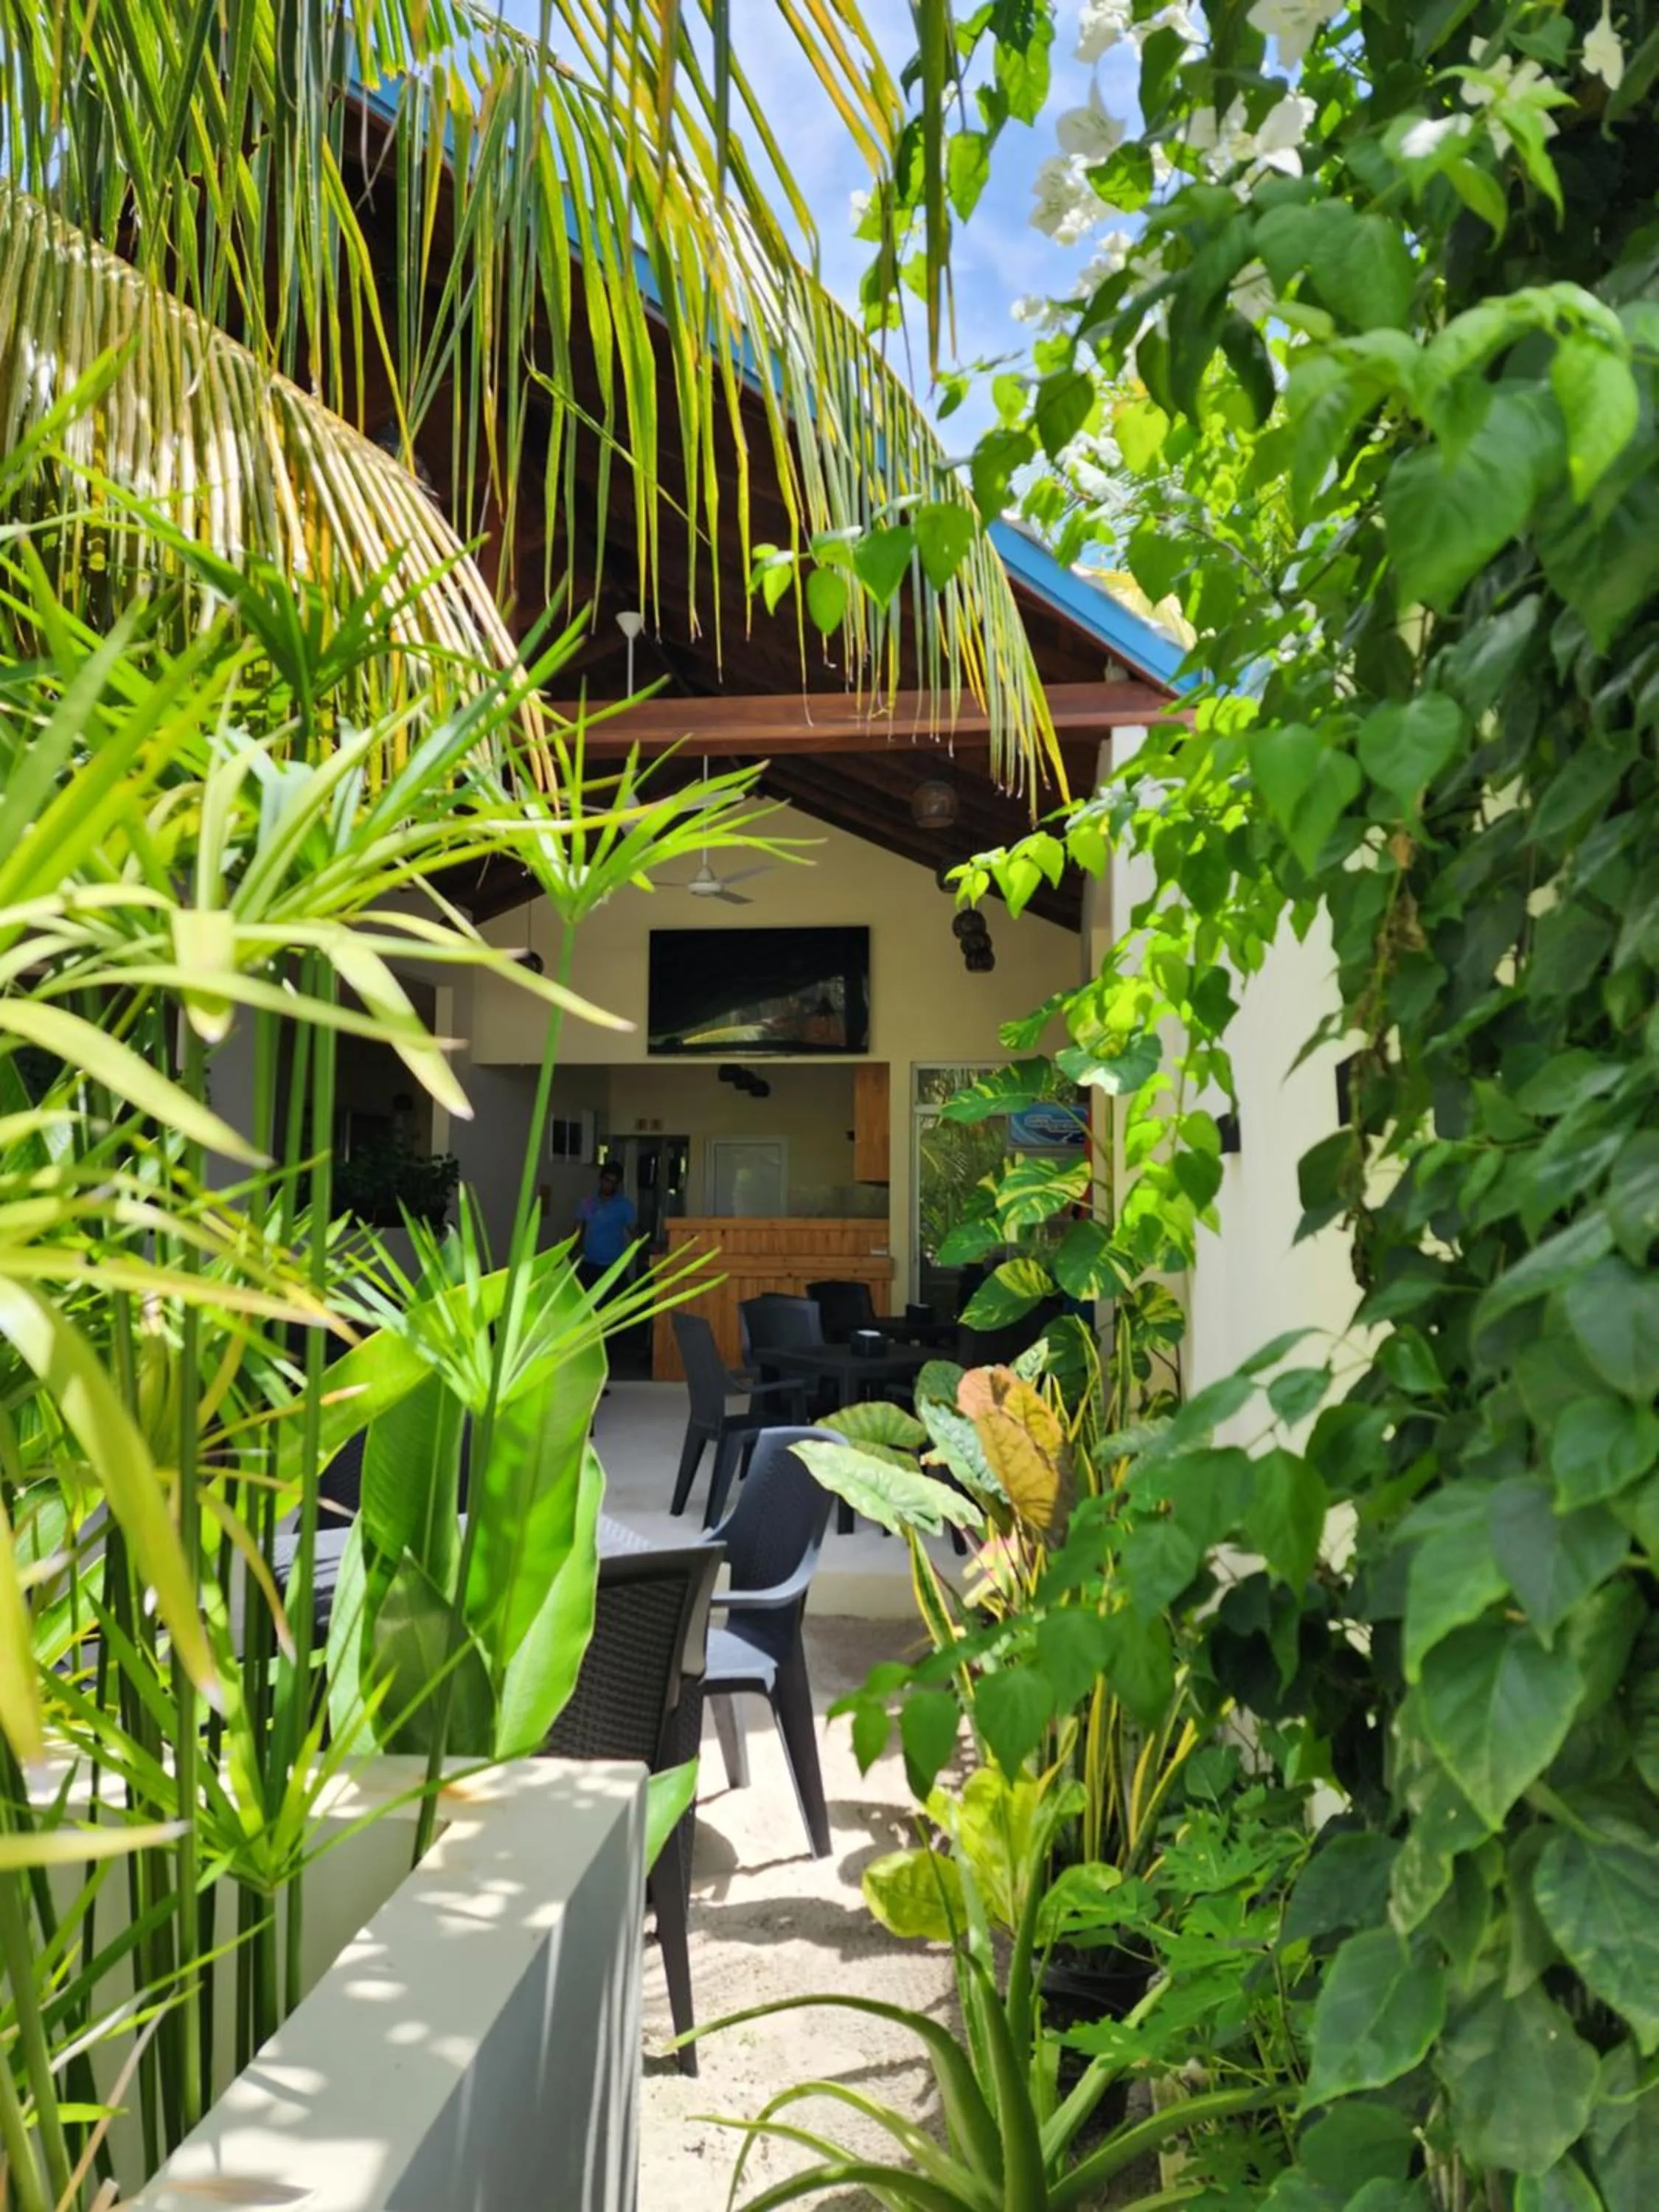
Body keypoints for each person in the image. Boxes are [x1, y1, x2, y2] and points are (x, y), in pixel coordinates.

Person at [573, 1161, 636, 1295]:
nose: (609, 1185)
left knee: (616, 1303)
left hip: (613, 1266)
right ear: (601, 1179)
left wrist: (648, 1248)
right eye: (607, 1180)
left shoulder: (624, 1205)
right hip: (589, 1264)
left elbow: (634, 1232)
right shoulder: (589, 1203)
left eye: (614, 1182)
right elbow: (578, 1231)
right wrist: (569, 1252)